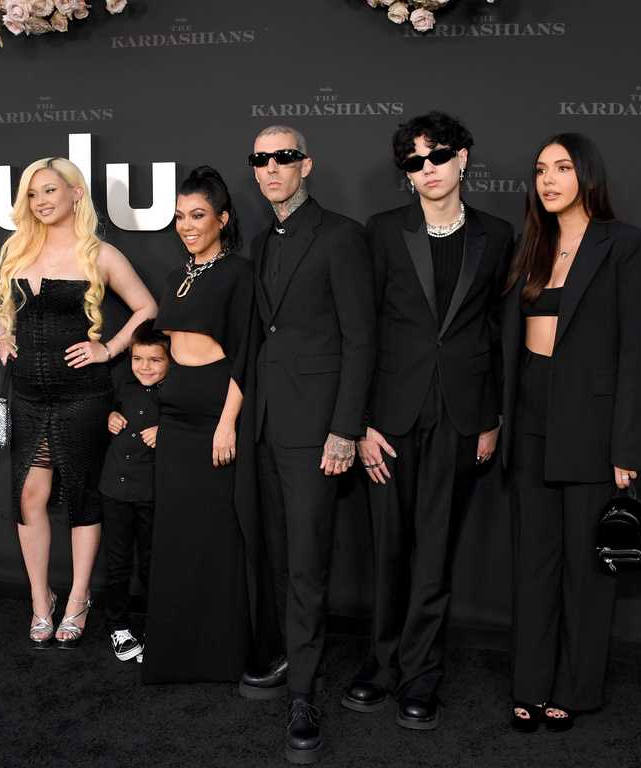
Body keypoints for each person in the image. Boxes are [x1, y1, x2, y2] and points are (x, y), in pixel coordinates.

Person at [344, 112, 514, 730]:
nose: (428, 170)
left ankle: (421, 675)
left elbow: (498, 333)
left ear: (463, 157)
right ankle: (380, 665)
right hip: (390, 416)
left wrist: (493, 415)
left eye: (437, 156)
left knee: (435, 551)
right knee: (389, 548)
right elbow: (361, 331)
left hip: (461, 415)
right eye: (414, 163)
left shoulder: (496, 235)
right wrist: (359, 421)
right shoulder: (383, 231)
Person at [501, 133, 641, 731]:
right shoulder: (529, 245)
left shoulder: (625, 245)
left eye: (562, 168)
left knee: (585, 569)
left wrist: (628, 446)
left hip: (591, 428)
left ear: (586, 175)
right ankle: (530, 685)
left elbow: (638, 351)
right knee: (533, 565)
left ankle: (575, 686)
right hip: (530, 418)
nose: (549, 179)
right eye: (541, 169)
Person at [240, 125, 376, 765]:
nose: (271, 169)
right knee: (276, 554)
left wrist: (345, 428)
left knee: (307, 563)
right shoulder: (263, 239)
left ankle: (304, 693)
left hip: (318, 431)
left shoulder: (343, 236)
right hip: (266, 425)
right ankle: (291, 662)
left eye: (283, 158)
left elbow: (361, 338)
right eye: (261, 160)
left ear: (306, 166)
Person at [0, 157, 157, 650]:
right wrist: (4, 332)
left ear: (75, 194)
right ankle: (41, 600)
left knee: (84, 499)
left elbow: (147, 306)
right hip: (26, 396)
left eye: (49, 191)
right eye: (33, 194)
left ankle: (79, 597)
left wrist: (109, 348)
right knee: (30, 497)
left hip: (83, 396)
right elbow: (7, 309)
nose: (40, 201)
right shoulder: (17, 249)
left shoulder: (100, 253)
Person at [142, 166, 258, 684]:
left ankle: (219, 655)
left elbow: (245, 356)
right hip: (176, 419)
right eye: (179, 217)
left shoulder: (239, 273)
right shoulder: (174, 277)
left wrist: (228, 423)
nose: (186, 226)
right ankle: (174, 653)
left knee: (216, 538)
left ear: (223, 219)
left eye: (198, 216)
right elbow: (166, 350)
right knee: (175, 535)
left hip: (215, 418)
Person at [98, 319, 169, 663]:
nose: (145, 367)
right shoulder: (122, 383)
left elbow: (195, 426)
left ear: (169, 361)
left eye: (155, 360)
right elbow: (107, 412)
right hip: (114, 489)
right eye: (139, 359)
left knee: (154, 564)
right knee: (117, 563)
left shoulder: (175, 395)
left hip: (152, 493)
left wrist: (167, 430)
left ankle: (158, 628)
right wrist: (110, 416)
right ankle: (118, 627)